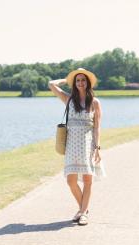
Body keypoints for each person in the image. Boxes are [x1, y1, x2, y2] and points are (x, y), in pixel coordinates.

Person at [48, 68, 106, 226]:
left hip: (88, 144)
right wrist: (66, 80)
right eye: (78, 80)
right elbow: (51, 84)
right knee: (71, 180)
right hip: (71, 145)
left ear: (88, 83)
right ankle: (84, 209)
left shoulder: (95, 102)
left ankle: (83, 213)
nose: (81, 83)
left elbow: (97, 127)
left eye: (83, 80)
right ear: (75, 83)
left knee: (87, 180)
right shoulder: (69, 99)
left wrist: (97, 147)